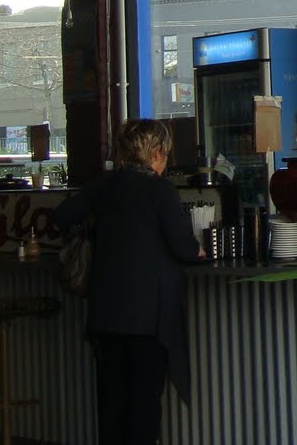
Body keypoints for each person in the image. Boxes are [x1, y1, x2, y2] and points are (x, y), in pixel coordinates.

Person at [57, 119, 202, 445]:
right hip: (147, 320)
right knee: (142, 410)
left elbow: (63, 215)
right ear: (157, 152)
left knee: (112, 408)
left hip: (105, 315)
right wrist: (198, 249)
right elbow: (184, 248)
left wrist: (94, 236)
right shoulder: (159, 189)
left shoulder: (105, 186)